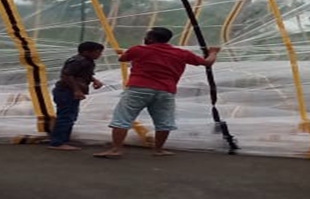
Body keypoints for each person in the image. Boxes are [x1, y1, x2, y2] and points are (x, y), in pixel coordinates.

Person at [94, 27, 220, 158]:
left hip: (138, 88)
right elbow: (207, 62)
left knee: (122, 119)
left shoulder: (138, 50)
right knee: (164, 121)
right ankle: (158, 150)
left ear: (150, 39)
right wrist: (213, 52)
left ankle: (116, 150)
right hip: (166, 90)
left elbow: (123, 59)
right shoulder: (181, 53)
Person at [49, 41, 105, 151]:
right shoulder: (78, 61)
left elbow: (82, 74)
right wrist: (76, 90)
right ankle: (57, 142)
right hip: (66, 91)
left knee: (70, 116)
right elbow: (67, 75)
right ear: (86, 52)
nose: (99, 55)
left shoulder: (86, 61)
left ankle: (62, 139)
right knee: (66, 116)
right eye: (97, 52)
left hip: (68, 91)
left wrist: (94, 80)